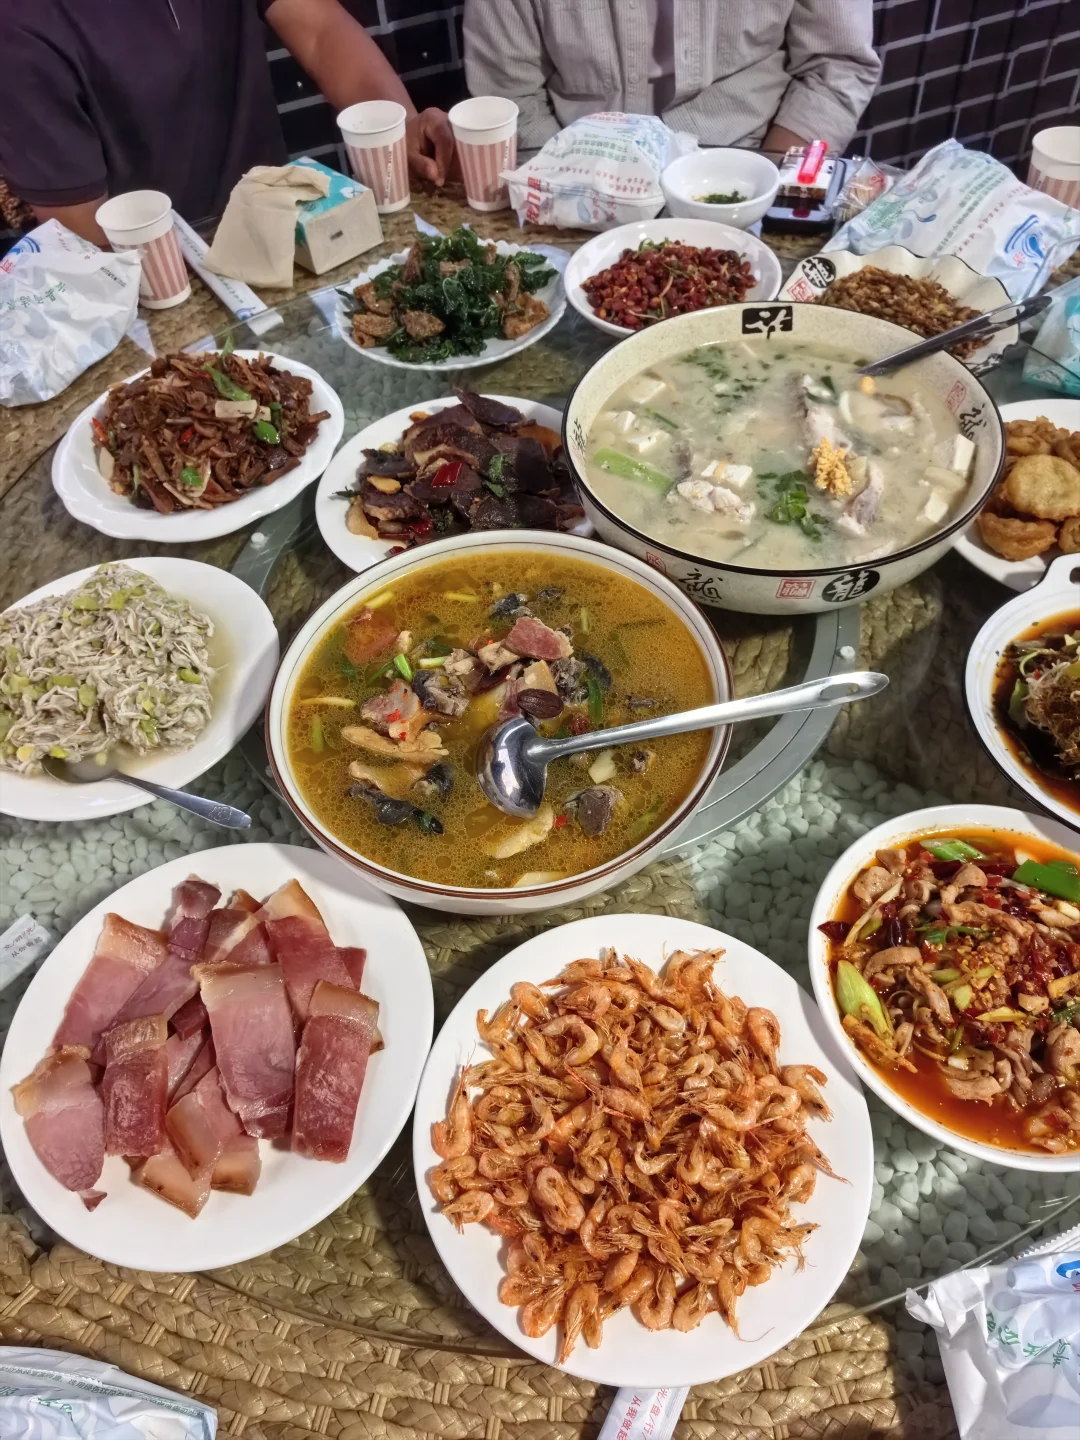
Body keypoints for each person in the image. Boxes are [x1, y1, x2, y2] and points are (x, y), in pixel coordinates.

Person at [0, 0, 456, 247]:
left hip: (277, 236)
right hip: (156, 286)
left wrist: (401, 128)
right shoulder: (19, 27)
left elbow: (319, 30)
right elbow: (84, 235)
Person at [463, 0, 880, 155]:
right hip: (578, 180)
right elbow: (509, 98)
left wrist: (770, 183)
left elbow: (836, 65)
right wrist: (567, 192)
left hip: (749, 158)